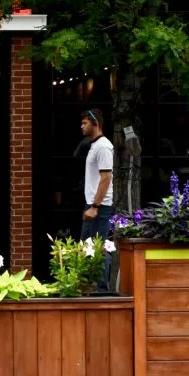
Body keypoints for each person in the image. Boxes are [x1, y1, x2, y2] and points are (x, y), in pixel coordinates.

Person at [79, 108, 114, 294]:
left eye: (85, 123)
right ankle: (90, 288)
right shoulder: (95, 145)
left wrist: (95, 206)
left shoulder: (103, 146)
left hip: (99, 207)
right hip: (93, 205)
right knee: (87, 246)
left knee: (98, 249)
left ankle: (102, 291)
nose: (81, 126)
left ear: (96, 124)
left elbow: (106, 178)